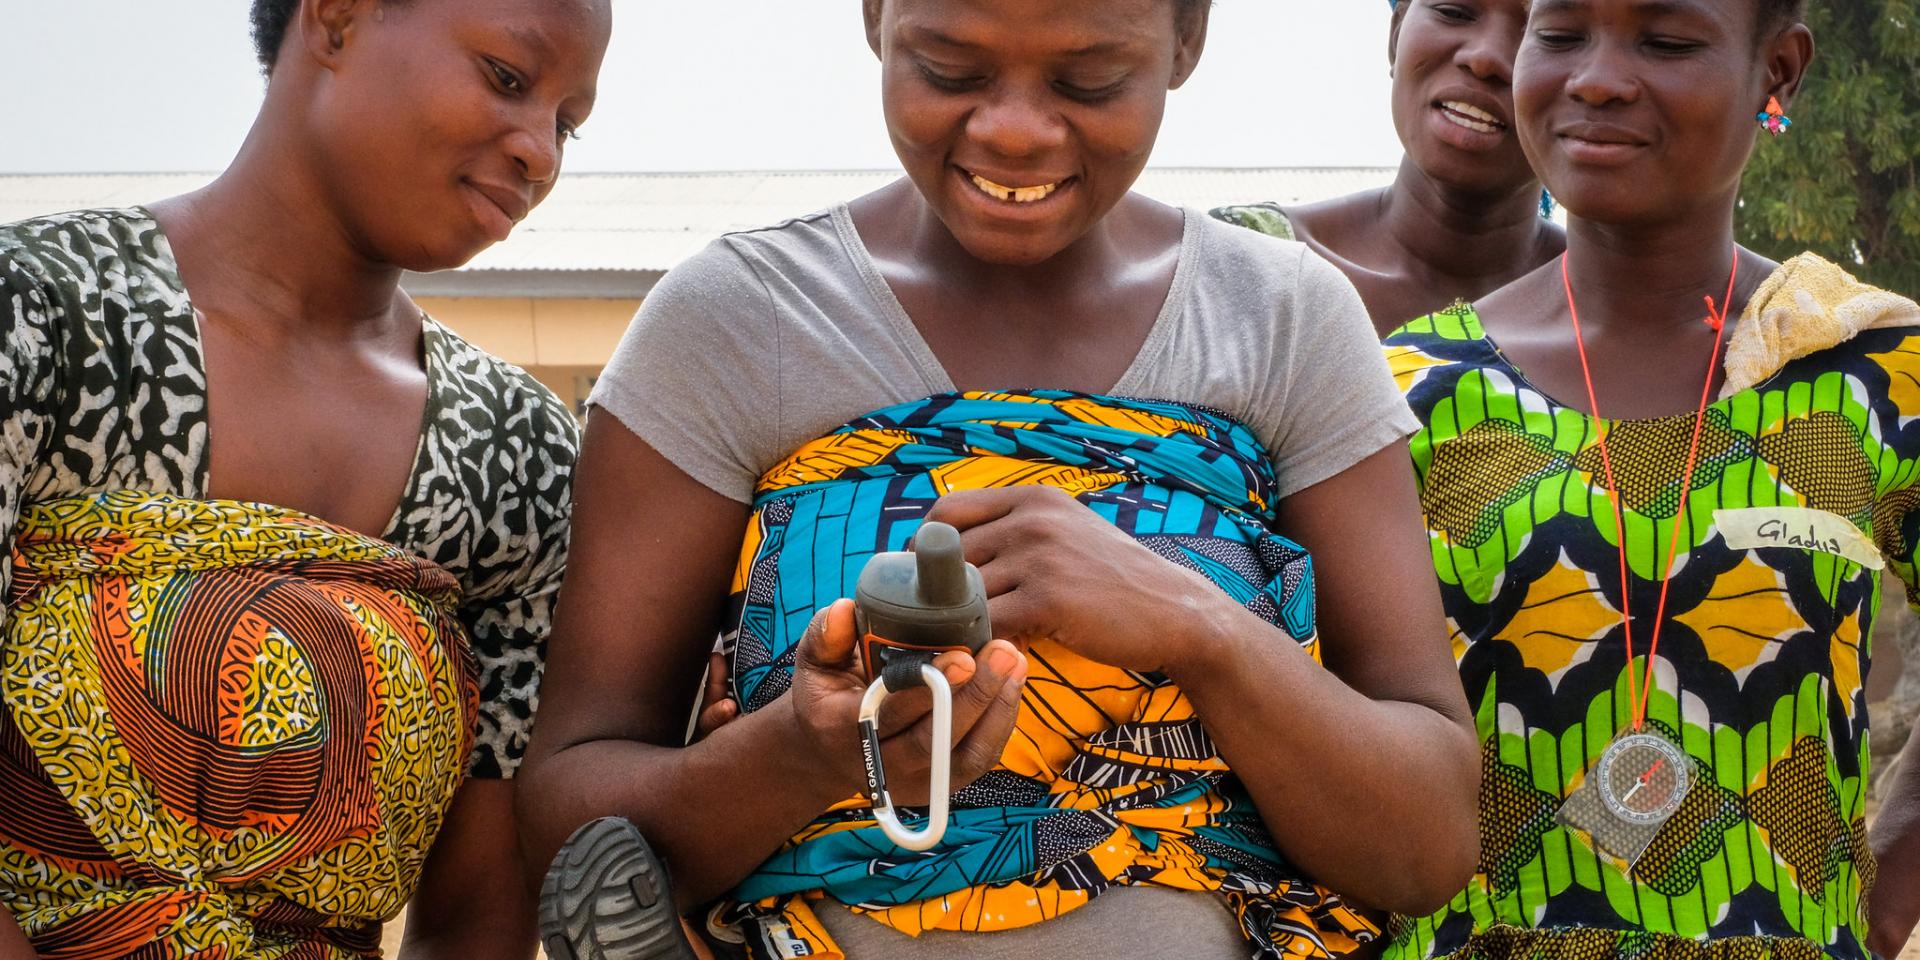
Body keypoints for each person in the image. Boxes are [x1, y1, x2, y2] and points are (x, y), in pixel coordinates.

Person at [519, 0, 1480, 958]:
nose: (1013, 131)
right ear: (874, 19)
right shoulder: (737, 323)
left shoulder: (1283, 322)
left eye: (1088, 81)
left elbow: (1425, 845)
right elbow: (564, 828)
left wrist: (1200, 627)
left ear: (1186, 40)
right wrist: (804, 754)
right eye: (949, 70)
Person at [0, 0, 608, 955]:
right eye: (507, 78)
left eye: (568, 123)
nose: (540, 151)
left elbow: (479, 912)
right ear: (336, 18)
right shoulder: (43, 322)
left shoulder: (515, 455)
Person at [1381, 0, 1920, 956]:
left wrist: (1893, 877)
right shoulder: (1410, 390)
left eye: (1666, 42)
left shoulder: (1869, 366)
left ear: (1778, 74)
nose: (1597, 77)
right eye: (1559, 35)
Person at [1212, 0, 1563, 335]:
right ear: (1395, 34)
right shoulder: (1236, 266)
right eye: (1453, 11)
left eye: (1548, 36)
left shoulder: (1613, 309)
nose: (1485, 58)